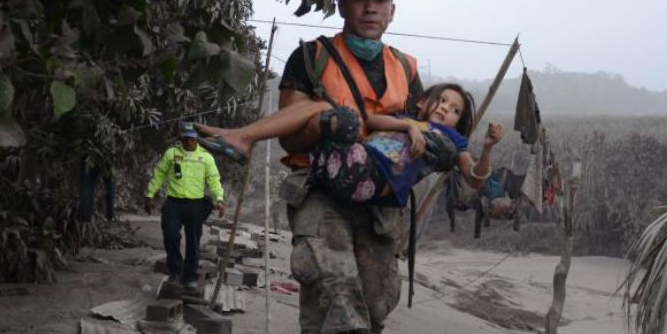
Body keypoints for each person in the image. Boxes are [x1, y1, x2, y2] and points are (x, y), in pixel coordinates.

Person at [277, 0, 499, 334]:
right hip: (321, 188)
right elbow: (290, 124)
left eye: (381, 0)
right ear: (343, 2)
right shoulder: (310, 56)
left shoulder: (406, 68)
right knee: (338, 289)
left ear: (393, 10)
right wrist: (325, 124)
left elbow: (422, 131)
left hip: (381, 203)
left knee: (377, 302)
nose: (371, 8)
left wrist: (447, 147)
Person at [196, 82, 504, 206]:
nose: (446, 109)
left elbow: (474, 178)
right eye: (443, 100)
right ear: (423, 101)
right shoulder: (406, 120)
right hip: (350, 163)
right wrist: (409, 124)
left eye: (455, 111)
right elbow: (373, 123)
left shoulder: (453, 139)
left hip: (371, 179)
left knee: (324, 112)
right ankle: (244, 138)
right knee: (323, 111)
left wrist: (488, 147)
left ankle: (243, 138)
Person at [144, 123, 226, 293]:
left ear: (197, 139)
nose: (188, 141)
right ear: (181, 137)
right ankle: (175, 272)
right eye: (185, 138)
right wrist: (150, 194)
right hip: (174, 203)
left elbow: (213, 180)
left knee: (193, 241)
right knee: (170, 235)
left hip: (195, 205)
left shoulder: (205, 158)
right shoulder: (172, 154)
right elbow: (159, 174)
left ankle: (189, 277)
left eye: (191, 138)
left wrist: (219, 199)